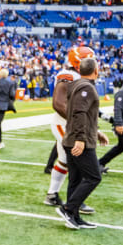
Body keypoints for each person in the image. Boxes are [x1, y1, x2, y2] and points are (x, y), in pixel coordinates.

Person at [56, 58, 109, 230]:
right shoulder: (86, 87)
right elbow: (79, 113)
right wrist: (81, 138)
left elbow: (82, 113)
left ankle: (74, 216)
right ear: (95, 70)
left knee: (76, 179)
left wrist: (96, 132)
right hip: (79, 140)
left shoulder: (78, 85)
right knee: (94, 176)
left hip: (74, 138)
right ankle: (68, 209)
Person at [43, 46, 96, 214]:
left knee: (65, 160)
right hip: (64, 124)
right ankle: (75, 202)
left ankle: (52, 194)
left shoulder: (79, 77)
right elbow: (58, 103)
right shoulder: (69, 75)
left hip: (70, 124)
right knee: (79, 161)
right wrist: (79, 123)